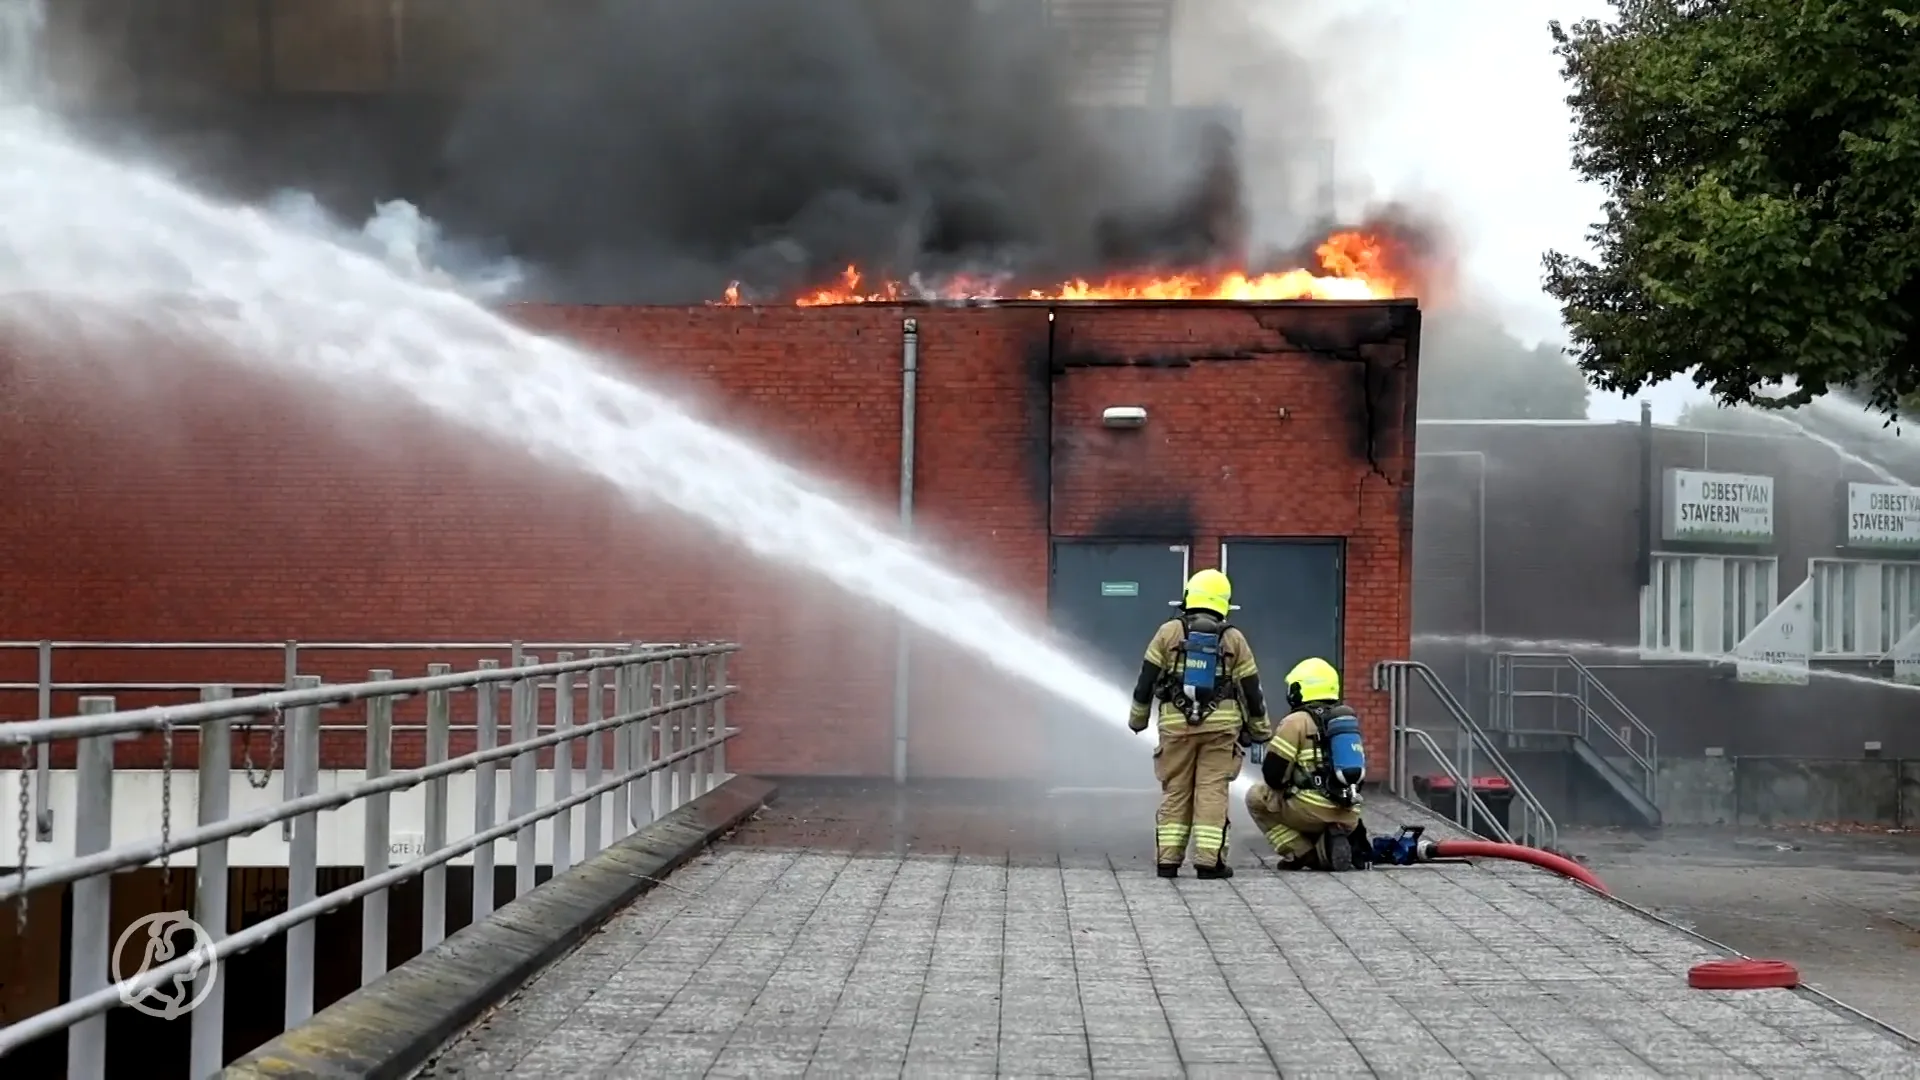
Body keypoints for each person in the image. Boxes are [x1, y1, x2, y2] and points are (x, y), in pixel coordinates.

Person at [1126, 568, 1272, 879]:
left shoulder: (1167, 632)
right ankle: (1209, 862)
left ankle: (1168, 861)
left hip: (1176, 726)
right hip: (1221, 730)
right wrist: (1260, 730)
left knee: (1176, 790)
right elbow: (1251, 691)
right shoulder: (1234, 639)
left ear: (1190, 596)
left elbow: (1146, 681)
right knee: (1211, 791)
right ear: (1223, 602)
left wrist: (1138, 718)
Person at [1244, 657, 1367, 871]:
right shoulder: (1344, 722)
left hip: (1310, 811)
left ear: (1302, 688)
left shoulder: (1296, 722)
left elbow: (1274, 775)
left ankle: (1301, 852)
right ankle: (1330, 840)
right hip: (1350, 813)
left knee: (1256, 797)